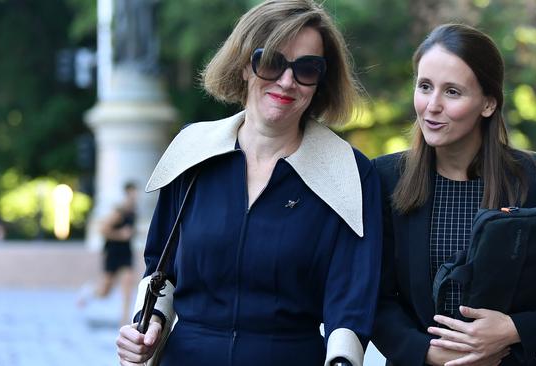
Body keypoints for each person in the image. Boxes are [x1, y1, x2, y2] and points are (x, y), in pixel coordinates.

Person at [115, 1, 382, 365]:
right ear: (244, 65)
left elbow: (352, 299)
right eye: (271, 61)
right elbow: (160, 269)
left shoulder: (348, 172)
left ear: (321, 81)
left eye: (307, 68)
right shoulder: (193, 152)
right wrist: (147, 326)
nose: (287, 81)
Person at [370, 24, 536, 366]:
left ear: (488, 103)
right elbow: (374, 297)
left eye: (452, 92)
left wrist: (514, 328)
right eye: (425, 86)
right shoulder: (383, 178)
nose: (431, 105)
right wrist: (427, 352)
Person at [79, 181, 137, 326]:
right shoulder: (119, 212)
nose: (135, 196)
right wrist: (120, 234)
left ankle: (124, 320)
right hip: (113, 252)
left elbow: (129, 232)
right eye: (132, 193)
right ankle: (89, 292)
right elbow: (103, 230)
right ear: (127, 193)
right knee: (105, 291)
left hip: (126, 252)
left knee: (128, 284)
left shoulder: (134, 212)